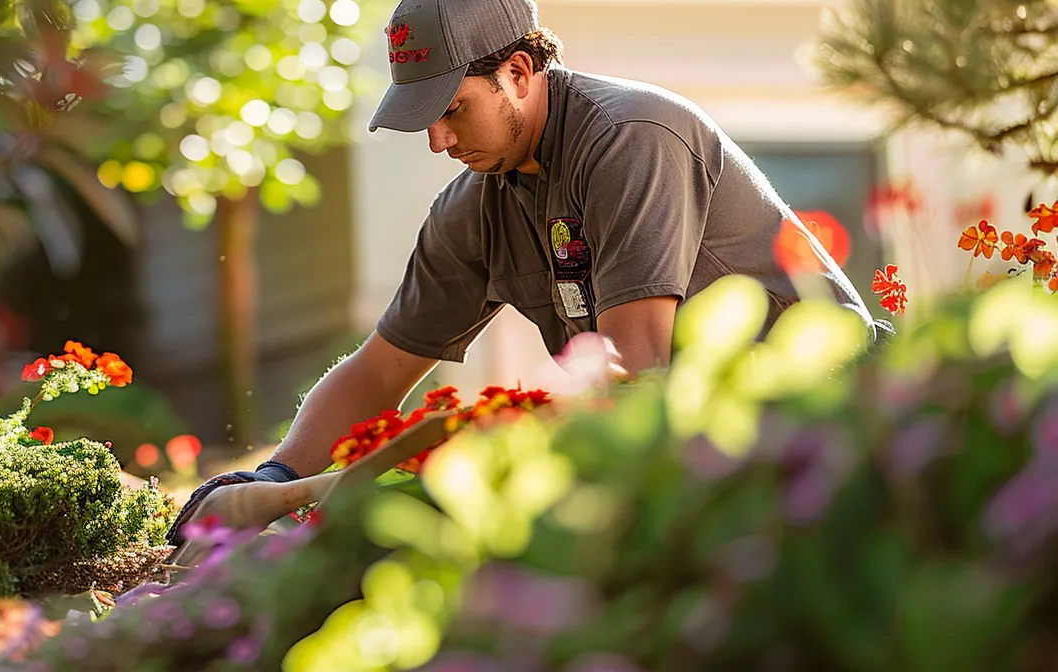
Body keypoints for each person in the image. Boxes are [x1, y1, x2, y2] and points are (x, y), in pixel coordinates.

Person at [166, 0, 890, 543]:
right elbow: (380, 370)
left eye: (452, 110)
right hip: (693, 453)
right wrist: (277, 476)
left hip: (843, 430)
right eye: (424, 120)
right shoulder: (474, 208)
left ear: (519, 70)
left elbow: (639, 368)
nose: (439, 141)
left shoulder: (630, 140)